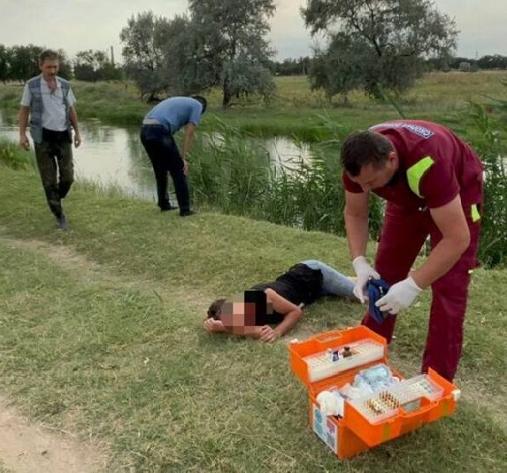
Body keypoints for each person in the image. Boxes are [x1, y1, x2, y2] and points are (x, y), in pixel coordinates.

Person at [341, 120, 484, 382]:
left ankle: (435, 381)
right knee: (385, 274)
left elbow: (457, 239)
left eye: (371, 182)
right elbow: (355, 213)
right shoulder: (360, 164)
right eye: (359, 184)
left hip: (457, 194)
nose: (365, 190)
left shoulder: (429, 162)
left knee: (448, 288)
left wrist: (414, 285)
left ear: (391, 159)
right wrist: (359, 262)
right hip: (406, 195)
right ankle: (369, 353)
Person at [203, 260, 356, 342]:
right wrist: (223, 327)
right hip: (312, 292)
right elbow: (258, 331)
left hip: (314, 275)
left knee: (362, 294)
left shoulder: (263, 297)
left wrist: (278, 332)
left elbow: (295, 312)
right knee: (344, 290)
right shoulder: (249, 317)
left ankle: (354, 282)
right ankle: (346, 282)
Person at [18, 49, 82, 230]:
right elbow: (24, 111)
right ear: (41, 66)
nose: (52, 71)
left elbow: (71, 110)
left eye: (55, 67)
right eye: (48, 67)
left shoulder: (65, 85)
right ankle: (59, 214)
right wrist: (22, 134)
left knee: (68, 177)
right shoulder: (31, 86)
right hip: (42, 137)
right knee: (48, 179)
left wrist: (77, 132)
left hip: (63, 135)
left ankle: (56, 196)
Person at [140, 95, 207, 216]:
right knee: (179, 169)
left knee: (160, 169)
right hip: (158, 130)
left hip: (145, 130)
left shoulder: (181, 101)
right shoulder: (198, 105)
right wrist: (183, 158)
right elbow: (189, 133)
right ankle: (185, 209)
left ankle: (164, 204)